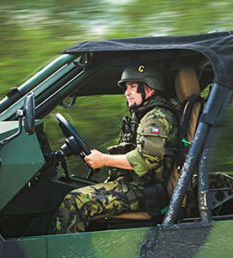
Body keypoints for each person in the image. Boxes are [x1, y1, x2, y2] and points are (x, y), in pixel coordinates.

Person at [51, 64, 181, 234]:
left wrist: (104, 160)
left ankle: (63, 257)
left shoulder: (157, 118)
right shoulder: (142, 116)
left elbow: (145, 160)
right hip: (134, 185)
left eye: (133, 87)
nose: (126, 93)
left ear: (149, 89)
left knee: (75, 200)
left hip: (145, 191)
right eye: (126, 88)